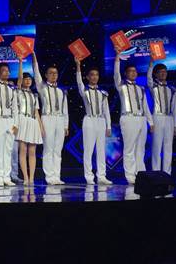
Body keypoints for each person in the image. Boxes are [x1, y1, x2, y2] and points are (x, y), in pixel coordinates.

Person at [114, 48, 154, 184]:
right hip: (128, 118)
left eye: (135, 71)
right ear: (126, 73)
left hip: (141, 119)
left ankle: (140, 173)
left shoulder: (141, 88)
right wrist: (117, 59)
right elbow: (116, 75)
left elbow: (146, 107)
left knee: (140, 148)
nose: (133, 73)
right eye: (130, 71)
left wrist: (151, 122)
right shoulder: (121, 86)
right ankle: (130, 175)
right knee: (129, 148)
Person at [32, 52, 69, 185]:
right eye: (51, 73)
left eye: (55, 73)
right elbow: (36, 74)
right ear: (46, 75)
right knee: (48, 148)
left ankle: (56, 176)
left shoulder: (61, 91)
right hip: (47, 118)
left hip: (59, 119)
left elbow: (65, 109)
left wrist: (66, 125)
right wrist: (34, 57)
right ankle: (49, 176)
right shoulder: (42, 87)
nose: (54, 75)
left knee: (58, 149)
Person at [75, 57, 112, 185]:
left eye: (96, 75)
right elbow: (79, 82)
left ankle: (102, 176)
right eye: (92, 75)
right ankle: (89, 177)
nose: (95, 77)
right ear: (87, 77)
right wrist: (78, 66)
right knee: (88, 149)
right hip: (89, 120)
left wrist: (108, 126)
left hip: (101, 121)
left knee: (101, 150)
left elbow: (106, 110)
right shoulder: (84, 91)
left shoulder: (103, 93)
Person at [0, 44, 18, 187]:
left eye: (7, 71)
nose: (6, 73)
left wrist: (15, 124)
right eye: (3, 71)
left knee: (8, 150)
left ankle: (7, 176)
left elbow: (15, 107)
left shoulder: (12, 88)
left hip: (9, 120)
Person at [15, 57, 44, 186]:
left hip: (33, 122)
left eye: (29, 79)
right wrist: (21, 62)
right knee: (23, 150)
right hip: (23, 120)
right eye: (25, 79)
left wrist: (41, 127)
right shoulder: (18, 92)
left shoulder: (34, 95)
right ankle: (25, 177)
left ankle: (31, 178)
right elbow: (19, 78)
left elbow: (36, 112)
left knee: (32, 152)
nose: (27, 81)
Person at [147, 59, 176, 175]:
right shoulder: (153, 87)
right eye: (160, 72)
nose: (163, 74)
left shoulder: (172, 89)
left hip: (169, 119)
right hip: (157, 117)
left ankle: (167, 173)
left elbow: (174, 108)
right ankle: (156, 173)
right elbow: (149, 79)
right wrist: (151, 65)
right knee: (156, 146)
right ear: (156, 74)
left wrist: (175, 126)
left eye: (165, 71)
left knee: (168, 147)